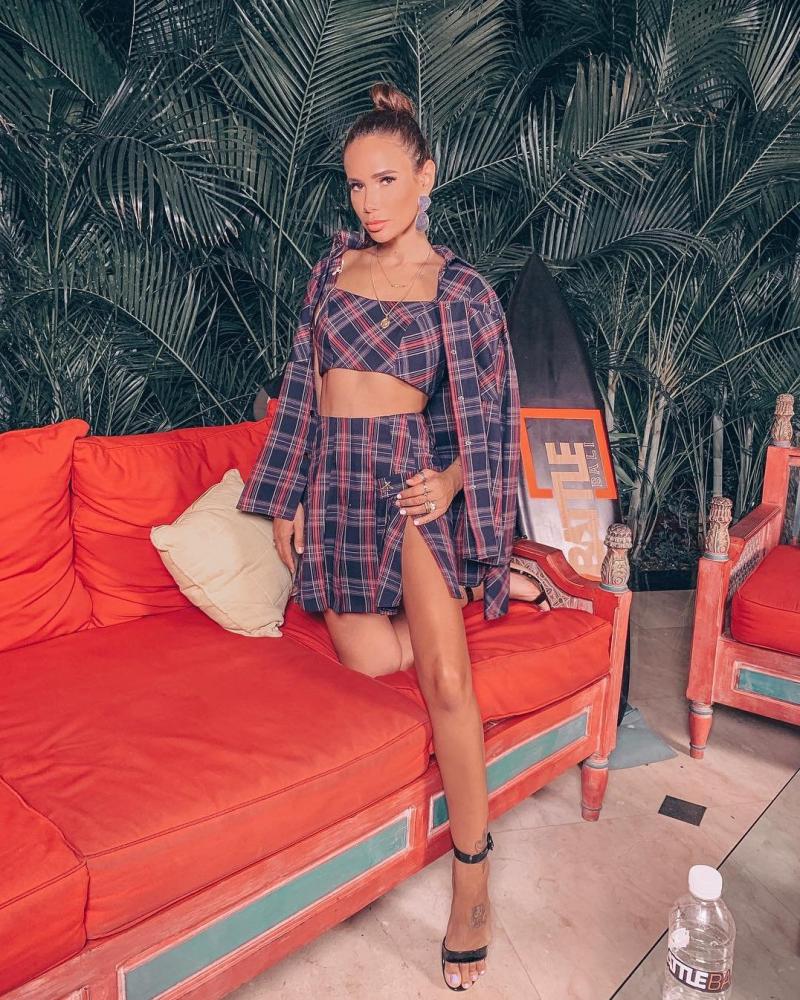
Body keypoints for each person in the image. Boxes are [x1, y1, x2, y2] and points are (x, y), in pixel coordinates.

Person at [237, 82, 548, 992]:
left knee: (447, 681)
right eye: (355, 185)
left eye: (385, 181)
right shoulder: (330, 271)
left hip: (411, 483)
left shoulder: (461, 291)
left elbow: (489, 413)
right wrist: (286, 496)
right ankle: (497, 587)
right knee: (372, 660)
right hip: (335, 479)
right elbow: (304, 385)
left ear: (426, 177)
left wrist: (448, 483)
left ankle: (473, 879)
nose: (368, 202)